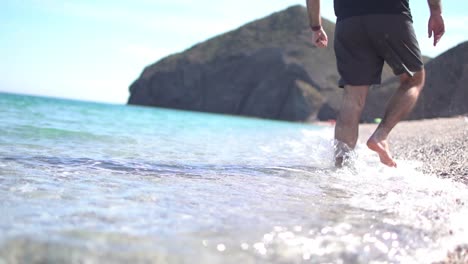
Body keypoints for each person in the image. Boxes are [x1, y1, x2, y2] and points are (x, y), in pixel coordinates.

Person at [306, 0, 445, 167]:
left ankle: (340, 171)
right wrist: (435, 12)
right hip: (391, 13)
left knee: (352, 97)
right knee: (413, 80)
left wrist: (316, 27)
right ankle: (380, 136)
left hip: (349, 20)